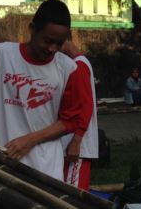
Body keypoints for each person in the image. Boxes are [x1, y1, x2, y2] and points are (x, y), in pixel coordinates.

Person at [0, 0, 90, 180]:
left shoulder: (69, 69)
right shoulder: (2, 54)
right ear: (32, 28)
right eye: (47, 41)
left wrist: (30, 140)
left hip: (45, 167)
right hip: (2, 159)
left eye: (59, 43)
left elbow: (71, 120)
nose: (52, 49)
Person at [60, 36, 98, 191]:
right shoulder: (76, 64)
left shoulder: (78, 65)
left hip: (76, 147)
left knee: (72, 197)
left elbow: (86, 106)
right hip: (71, 145)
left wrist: (76, 142)